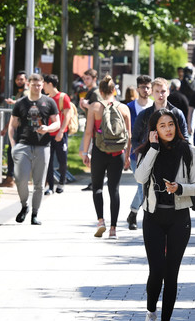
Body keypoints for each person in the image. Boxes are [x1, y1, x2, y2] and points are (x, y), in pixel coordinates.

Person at [133, 109, 195, 321]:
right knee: (156, 271)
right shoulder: (148, 151)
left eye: (171, 124)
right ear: (155, 130)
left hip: (179, 218)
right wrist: (153, 148)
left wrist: (180, 188)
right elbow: (140, 178)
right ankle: (151, 314)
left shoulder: (188, 150)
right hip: (153, 217)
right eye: (162, 125)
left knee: (171, 274)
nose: (168, 129)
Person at [127, 78, 189, 230]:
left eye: (163, 91)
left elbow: (185, 138)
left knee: (167, 191)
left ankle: (167, 222)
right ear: (152, 93)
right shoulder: (145, 115)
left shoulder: (176, 113)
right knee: (145, 189)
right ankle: (144, 218)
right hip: (147, 159)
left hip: (170, 159)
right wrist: (144, 153)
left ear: (168, 92)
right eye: (157, 92)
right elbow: (134, 138)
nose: (160, 95)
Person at [80, 75, 133, 239]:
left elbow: (89, 132)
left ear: (101, 91)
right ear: (114, 90)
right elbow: (129, 135)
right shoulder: (124, 108)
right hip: (117, 153)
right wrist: (128, 156)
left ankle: (101, 221)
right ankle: (113, 229)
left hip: (99, 151)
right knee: (114, 189)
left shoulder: (94, 107)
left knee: (97, 187)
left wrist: (84, 151)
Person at [7, 73, 61, 225]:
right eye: (34, 85)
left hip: (43, 146)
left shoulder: (49, 102)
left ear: (43, 85)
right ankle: (25, 206)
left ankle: (35, 214)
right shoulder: (21, 103)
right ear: (28, 85)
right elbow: (12, 125)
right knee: (20, 179)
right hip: (23, 145)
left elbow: (57, 123)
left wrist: (48, 128)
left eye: (39, 85)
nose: (37, 88)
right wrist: (13, 145)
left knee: (39, 183)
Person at [125, 76, 154, 230]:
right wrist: (126, 155)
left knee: (150, 186)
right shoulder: (130, 107)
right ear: (137, 89)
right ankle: (135, 213)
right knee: (142, 186)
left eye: (148, 87)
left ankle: (134, 212)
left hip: (153, 153)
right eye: (142, 87)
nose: (145, 90)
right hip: (136, 154)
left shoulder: (155, 106)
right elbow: (127, 133)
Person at [43, 74, 73, 195]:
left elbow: (68, 115)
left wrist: (61, 131)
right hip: (48, 134)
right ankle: (50, 186)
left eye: (44, 84)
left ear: (50, 84)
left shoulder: (63, 97)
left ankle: (61, 182)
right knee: (48, 161)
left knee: (62, 160)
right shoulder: (46, 98)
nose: (43, 87)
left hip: (60, 134)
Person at [0, 71, 27, 187]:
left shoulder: (26, 93)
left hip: (22, 129)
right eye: (18, 79)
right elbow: (14, 114)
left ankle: (13, 179)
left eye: (21, 79)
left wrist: (14, 102)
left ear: (26, 80)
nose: (19, 81)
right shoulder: (19, 93)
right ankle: (11, 178)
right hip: (16, 128)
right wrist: (6, 127)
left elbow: (26, 103)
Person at [78, 69, 102, 191]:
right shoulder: (90, 92)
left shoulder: (95, 92)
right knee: (85, 153)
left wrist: (86, 105)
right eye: (84, 78)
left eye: (88, 78)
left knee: (87, 153)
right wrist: (84, 107)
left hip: (94, 128)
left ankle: (96, 181)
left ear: (94, 79)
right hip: (91, 126)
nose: (85, 81)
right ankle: (95, 180)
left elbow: (98, 109)